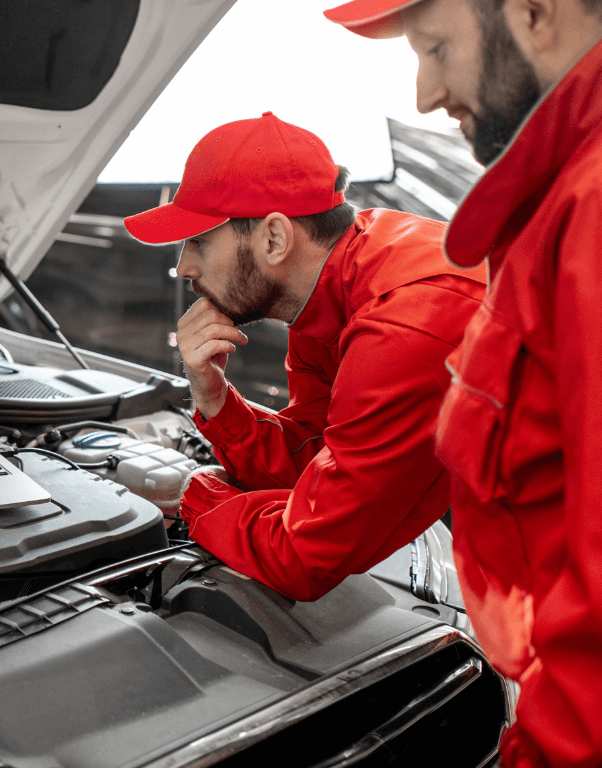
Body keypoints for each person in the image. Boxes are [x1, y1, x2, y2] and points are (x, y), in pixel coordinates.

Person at [324, 1, 602, 766]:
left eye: (435, 46)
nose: (423, 94)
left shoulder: (592, 208)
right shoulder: (558, 201)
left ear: (536, 13)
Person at [123, 112, 486, 603]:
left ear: (274, 238)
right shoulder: (333, 292)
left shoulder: (405, 321)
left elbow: (305, 557)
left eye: (200, 242)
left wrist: (191, 493)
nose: (183, 265)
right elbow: (317, 459)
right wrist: (214, 399)